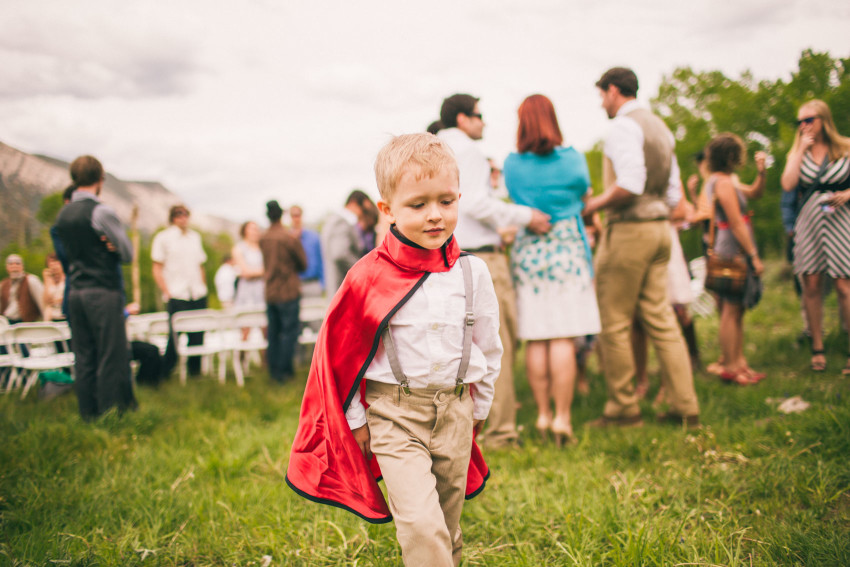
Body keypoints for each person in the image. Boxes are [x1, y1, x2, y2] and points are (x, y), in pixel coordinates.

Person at [287, 133, 500, 567]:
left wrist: (480, 405)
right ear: (388, 210)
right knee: (421, 524)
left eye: (445, 201)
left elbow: (487, 342)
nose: (435, 215)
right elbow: (340, 356)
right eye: (418, 205)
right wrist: (357, 420)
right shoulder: (368, 275)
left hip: (456, 410)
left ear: (459, 196)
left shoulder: (473, 272)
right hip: (395, 415)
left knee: (445, 520)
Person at [584, 67, 700, 428]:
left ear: (614, 91)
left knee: (613, 321)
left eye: (602, 94)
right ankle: (686, 406)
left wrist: (594, 205)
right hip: (661, 229)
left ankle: (623, 408)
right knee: (662, 319)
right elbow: (672, 192)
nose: (602, 102)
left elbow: (631, 182)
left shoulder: (621, 125)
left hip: (631, 230)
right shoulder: (660, 127)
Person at [438, 92, 551, 449]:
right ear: (461, 118)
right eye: (478, 115)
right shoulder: (468, 151)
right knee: (495, 343)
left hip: (446, 258)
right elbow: (476, 203)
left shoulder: (434, 149)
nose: (483, 121)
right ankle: (501, 431)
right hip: (482, 257)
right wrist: (524, 216)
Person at [502, 94, 601, 445]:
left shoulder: (512, 165)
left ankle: (542, 414)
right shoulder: (574, 159)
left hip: (529, 252)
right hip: (567, 251)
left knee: (537, 335)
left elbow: (515, 198)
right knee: (563, 336)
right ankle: (562, 419)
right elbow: (585, 196)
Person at [54, 155, 137, 419]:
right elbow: (126, 253)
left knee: (84, 354)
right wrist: (109, 246)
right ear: (100, 179)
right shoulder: (101, 211)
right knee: (110, 354)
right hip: (102, 290)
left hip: (75, 291)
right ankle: (111, 412)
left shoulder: (62, 214)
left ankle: (88, 413)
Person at [780, 99, 850, 374]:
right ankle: (817, 349)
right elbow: (787, 184)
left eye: (809, 119)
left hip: (841, 220)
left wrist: (847, 194)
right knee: (810, 283)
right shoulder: (798, 151)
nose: (804, 125)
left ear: (823, 120)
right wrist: (800, 149)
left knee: (844, 286)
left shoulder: (845, 147)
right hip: (809, 221)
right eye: (800, 121)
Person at [703, 133, 767, 384]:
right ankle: (730, 367)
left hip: (733, 245)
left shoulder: (726, 180)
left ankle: (739, 363)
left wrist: (762, 172)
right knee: (730, 309)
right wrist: (753, 256)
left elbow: (754, 193)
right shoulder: (722, 183)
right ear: (730, 156)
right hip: (732, 248)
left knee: (737, 309)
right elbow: (736, 221)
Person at [151, 204, 208, 377]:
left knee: (198, 334)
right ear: (173, 217)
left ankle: (195, 373)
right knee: (174, 336)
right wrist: (166, 291)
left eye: (185, 214)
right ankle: (166, 372)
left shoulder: (195, 238)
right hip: (177, 293)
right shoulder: (163, 238)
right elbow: (157, 267)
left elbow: (200, 265)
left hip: (196, 293)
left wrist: (203, 286)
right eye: (178, 214)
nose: (183, 217)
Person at [259, 200, 307, 383]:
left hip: (270, 291)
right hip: (288, 291)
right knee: (289, 331)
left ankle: (273, 370)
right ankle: (285, 371)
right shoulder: (289, 238)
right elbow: (303, 264)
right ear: (281, 215)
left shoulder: (263, 238)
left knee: (273, 331)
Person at [321, 189, 376, 297]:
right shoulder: (341, 222)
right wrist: (363, 271)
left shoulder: (333, 221)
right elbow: (340, 254)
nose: (363, 214)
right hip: (343, 290)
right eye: (364, 209)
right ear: (354, 203)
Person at [288, 205, 324, 298]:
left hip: (313, 283)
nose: (296, 218)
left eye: (298, 215)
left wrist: (324, 284)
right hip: (293, 286)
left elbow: (321, 261)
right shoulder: (286, 239)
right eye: (293, 215)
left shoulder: (314, 237)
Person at [1, 254, 45, 324]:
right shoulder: (3, 284)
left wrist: (46, 322)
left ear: (22, 266)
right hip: (7, 323)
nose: (14, 266)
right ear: (7, 267)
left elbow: (43, 303)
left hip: (26, 323)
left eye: (17, 263)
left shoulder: (31, 280)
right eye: (11, 264)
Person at [233, 221, 266, 308]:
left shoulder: (263, 247)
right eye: (253, 229)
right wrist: (265, 270)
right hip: (247, 291)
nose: (256, 232)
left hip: (263, 290)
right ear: (245, 231)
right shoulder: (239, 248)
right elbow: (246, 273)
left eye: (257, 229)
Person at [42, 253, 66, 321]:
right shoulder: (49, 280)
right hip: (52, 317)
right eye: (50, 264)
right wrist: (46, 280)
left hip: (65, 316)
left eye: (55, 263)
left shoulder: (68, 278)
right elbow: (46, 301)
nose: (53, 266)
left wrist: (58, 300)